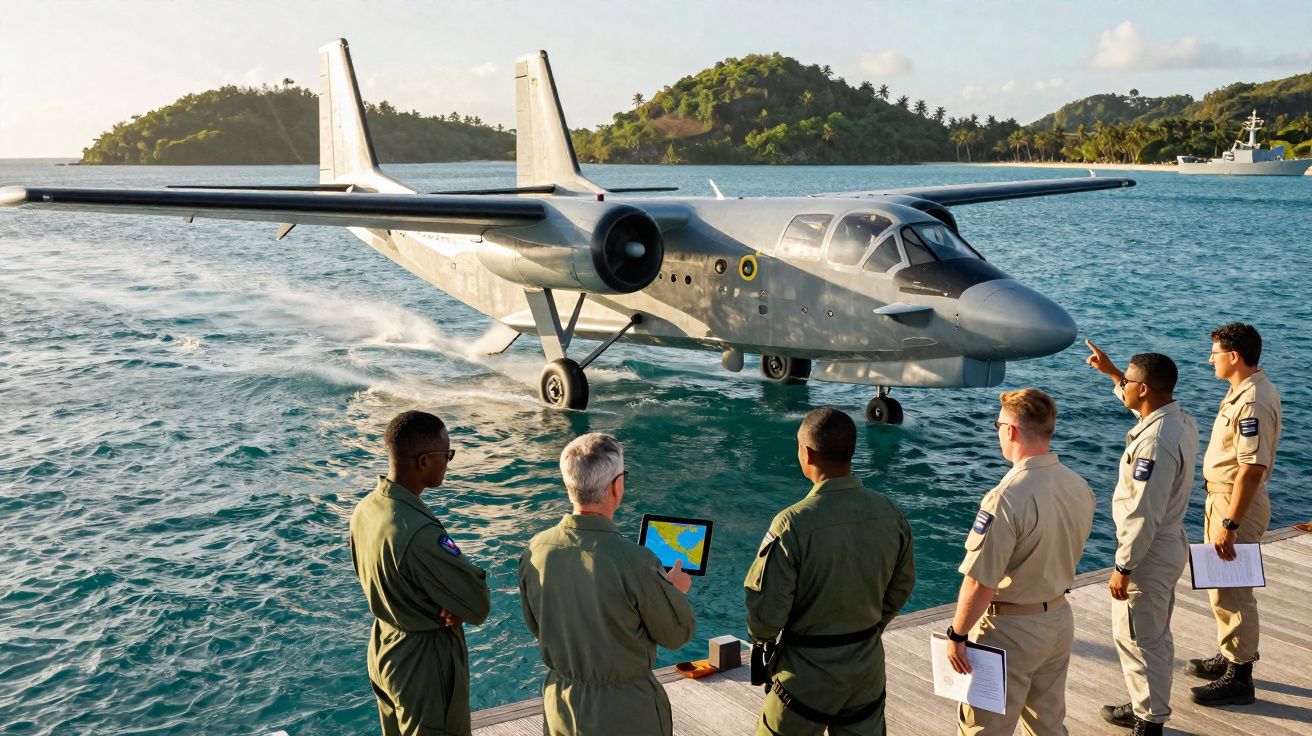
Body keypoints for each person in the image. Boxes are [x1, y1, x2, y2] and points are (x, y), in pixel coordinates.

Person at [744, 407, 915, 736]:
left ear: (806, 453)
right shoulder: (890, 513)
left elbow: (765, 617)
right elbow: (902, 586)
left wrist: (764, 639)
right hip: (866, 670)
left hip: (804, 679)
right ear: (851, 451)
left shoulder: (791, 524)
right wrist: (869, 625)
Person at [518, 433, 695, 736]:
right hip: (625, 712)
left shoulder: (535, 549)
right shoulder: (636, 561)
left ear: (569, 484)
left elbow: (537, 624)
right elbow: (677, 633)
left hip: (561, 704)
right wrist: (673, 589)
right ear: (617, 485)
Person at [947, 389, 1094, 736]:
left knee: (983, 727)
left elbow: (980, 581)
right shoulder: (1078, 485)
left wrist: (958, 634)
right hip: (1058, 619)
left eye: (998, 425)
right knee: (1046, 723)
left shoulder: (1005, 498)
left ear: (1011, 430)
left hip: (1010, 631)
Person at [349, 410, 491, 736]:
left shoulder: (367, 509)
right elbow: (477, 605)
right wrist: (456, 607)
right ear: (425, 461)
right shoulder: (418, 533)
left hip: (385, 646)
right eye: (447, 455)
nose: (449, 462)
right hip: (424, 664)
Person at [1085, 344, 1199, 735]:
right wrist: (1113, 373)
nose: (1126, 388)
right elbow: (1140, 407)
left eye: (1130, 383)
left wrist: (1123, 567)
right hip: (1169, 542)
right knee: (1153, 633)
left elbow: (1143, 512)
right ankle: (1144, 704)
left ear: (1146, 388)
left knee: (1138, 637)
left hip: (1147, 551)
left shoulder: (1154, 444)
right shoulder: (1178, 419)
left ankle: (1149, 721)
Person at [1189, 323, 1282, 706]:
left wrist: (1230, 523)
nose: (1210, 359)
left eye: (1215, 353)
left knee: (1234, 590)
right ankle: (1230, 654)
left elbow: (1252, 468)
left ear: (1234, 356)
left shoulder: (1252, 402)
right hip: (1224, 500)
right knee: (1221, 586)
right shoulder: (1243, 392)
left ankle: (1240, 677)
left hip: (1234, 504)